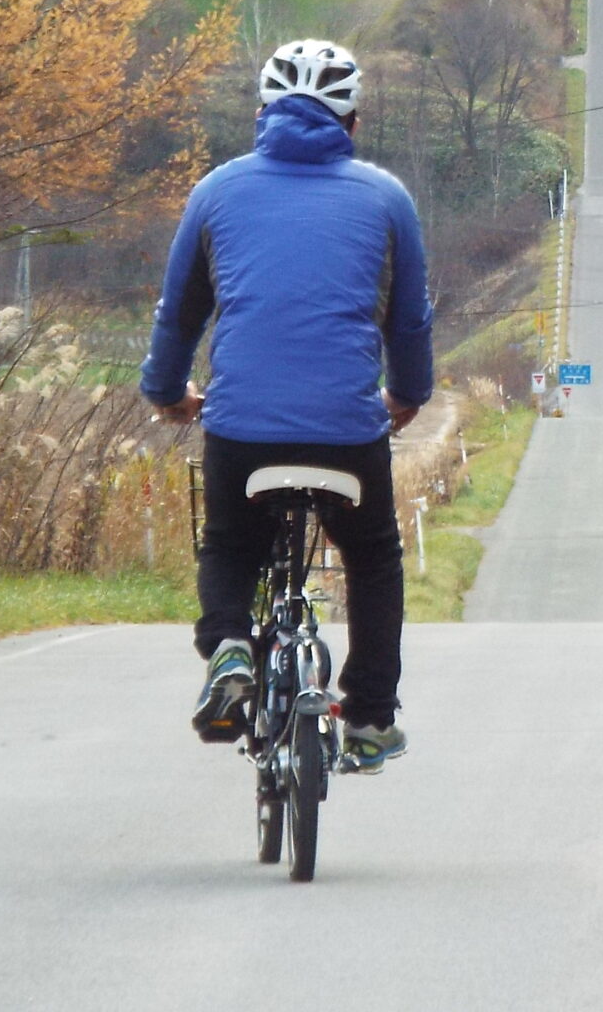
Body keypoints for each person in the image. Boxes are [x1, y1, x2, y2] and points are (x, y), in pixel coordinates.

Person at [142, 40, 432, 772]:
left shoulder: (216, 192)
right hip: (347, 429)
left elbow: (180, 315)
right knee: (371, 555)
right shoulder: (387, 198)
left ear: (263, 113)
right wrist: (407, 394)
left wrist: (168, 393)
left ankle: (231, 646)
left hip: (242, 426)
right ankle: (368, 715)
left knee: (232, 544)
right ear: (353, 122)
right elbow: (409, 322)